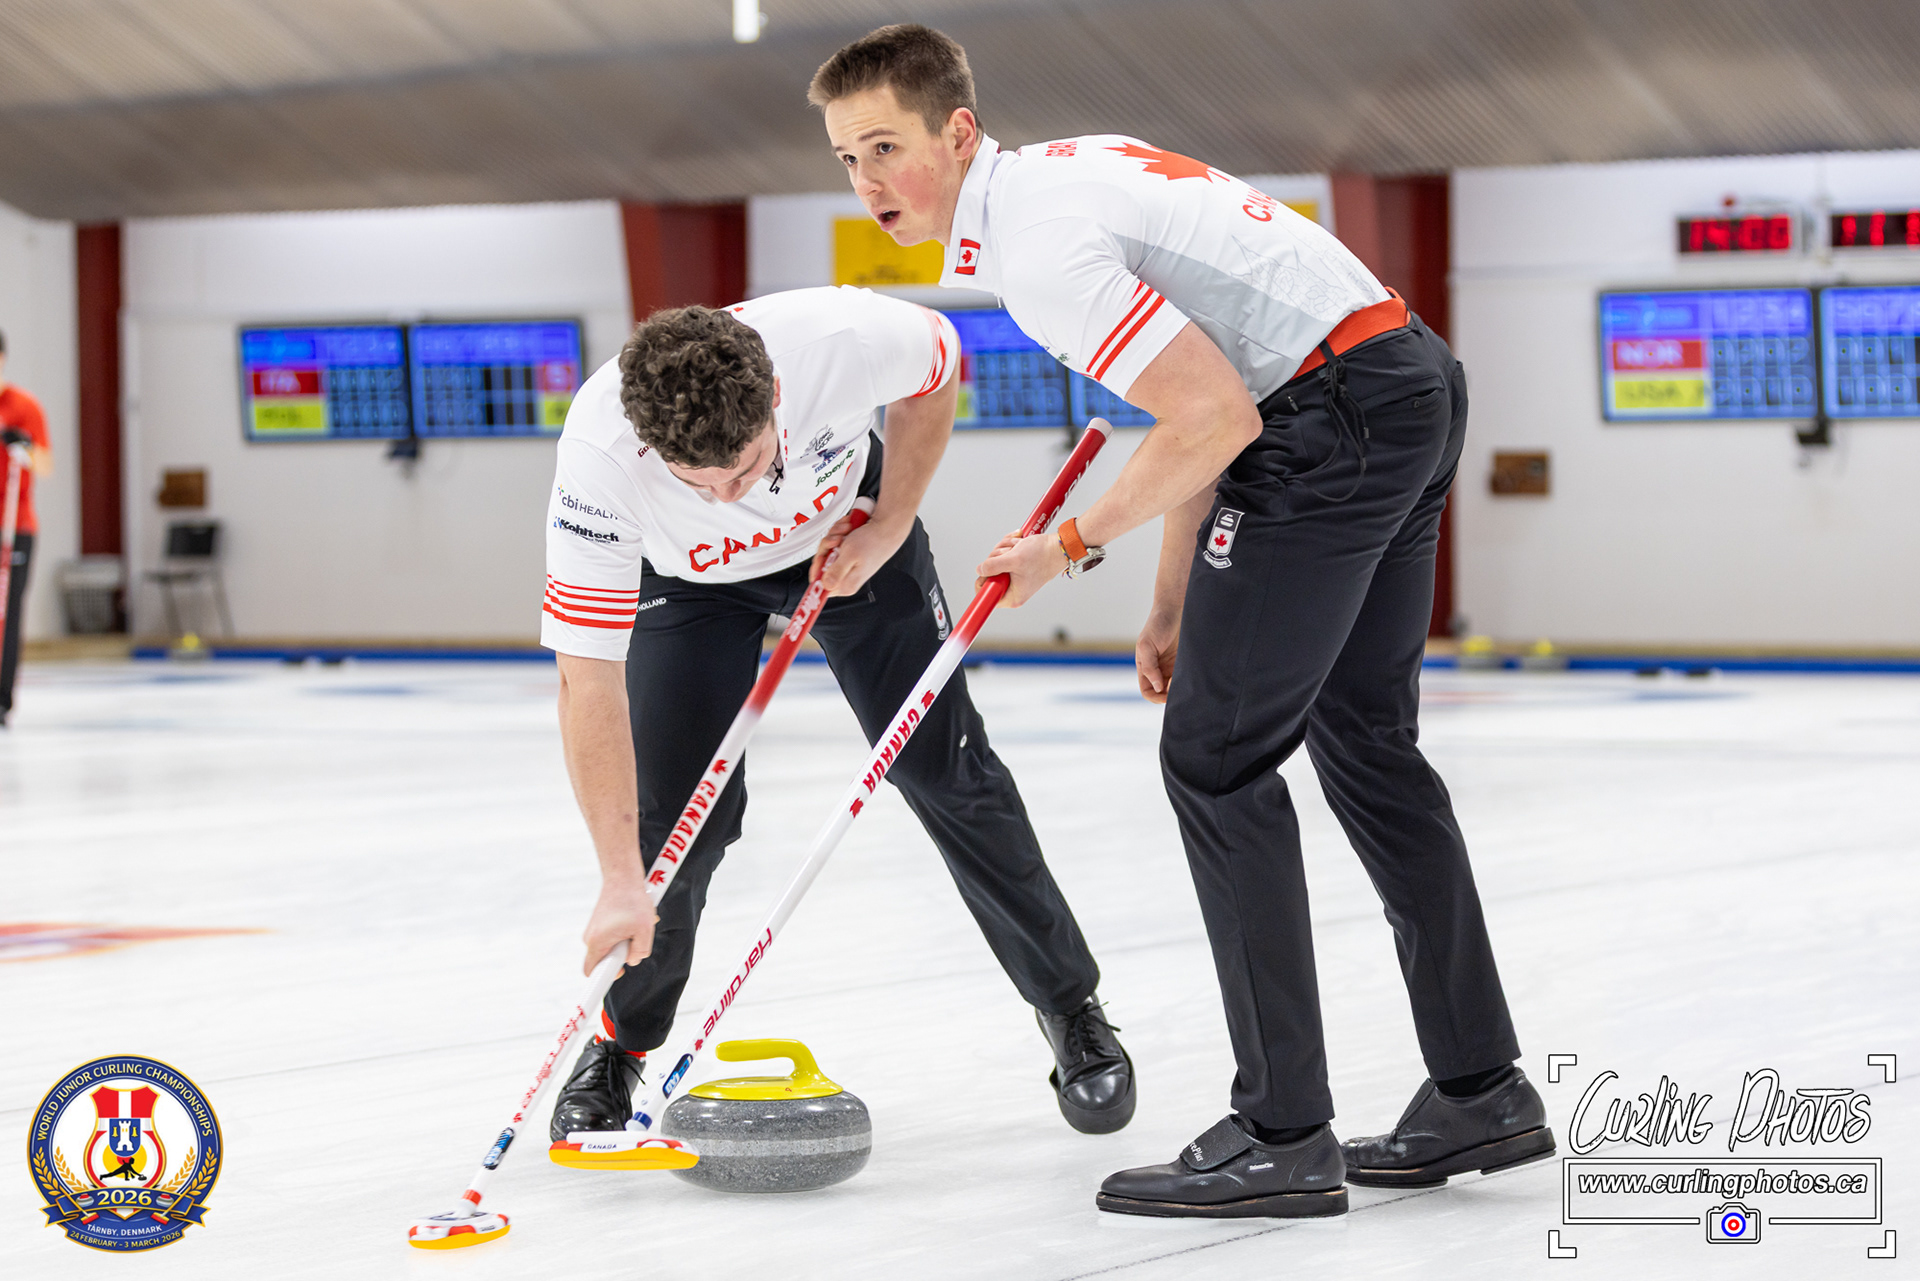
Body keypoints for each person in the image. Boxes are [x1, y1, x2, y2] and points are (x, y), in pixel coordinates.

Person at [810, 25, 1553, 1218]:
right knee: (1368, 745)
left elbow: (1216, 419)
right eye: (848, 158)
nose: (868, 181)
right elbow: (1211, 397)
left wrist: (1066, 546)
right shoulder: (1076, 169)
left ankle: (1283, 1130)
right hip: (1403, 382)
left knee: (1216, 761)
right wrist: (1171, 599)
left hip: (1329, 420)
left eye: (886, 147)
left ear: (958, 131)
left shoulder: (1038, 249)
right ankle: (1481, 1088)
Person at [540, 287, 1134, 1141]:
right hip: (687, 581)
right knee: (676, 827)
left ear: (777, 396)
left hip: (850, 529)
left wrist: (890, 524)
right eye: (699, 483)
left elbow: (938, 364)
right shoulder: (599, 457)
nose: (728, 497)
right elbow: (586, 682)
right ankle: (621, 1040)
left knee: (947, 772)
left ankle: (1071, 1006)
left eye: (746, 469)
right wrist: (617, 880)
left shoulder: (840, 339)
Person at [0, 329, 53, 727]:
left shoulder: (23, 405)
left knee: (8, 610)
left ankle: (3, 696)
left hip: (14, 525)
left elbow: (46, 466)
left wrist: (24, 447)